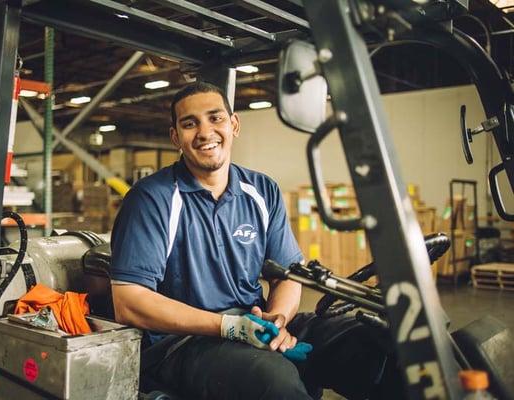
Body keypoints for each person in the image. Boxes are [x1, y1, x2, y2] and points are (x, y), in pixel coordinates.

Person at [110, 82, 402, 399]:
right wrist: (228, 326)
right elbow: (129, 303)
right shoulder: (152, 199)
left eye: (215, 118)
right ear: (175, 137)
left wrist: (277, 321)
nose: (205, 132)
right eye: (190, 123)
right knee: (272, 378)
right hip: (184, 343)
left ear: (233, 125)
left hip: (253, 326)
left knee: (373, 343)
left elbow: (288, 274)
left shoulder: (262, 190)